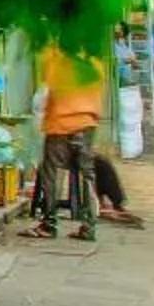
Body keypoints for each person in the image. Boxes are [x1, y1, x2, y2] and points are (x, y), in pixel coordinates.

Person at [31, 39, 105, 240]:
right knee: (88, 174)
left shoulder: (57, 57)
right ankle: (89, 227)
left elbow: (47, 80)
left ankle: (49, 223)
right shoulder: (94, 60)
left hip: (60, 124)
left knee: (50, 171)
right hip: (87, 122)